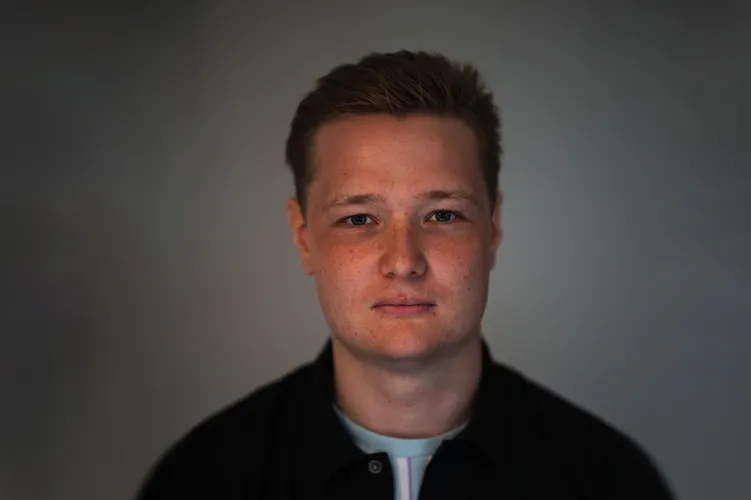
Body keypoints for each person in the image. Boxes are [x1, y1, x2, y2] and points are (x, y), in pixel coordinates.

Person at [136, 50, 675, 500]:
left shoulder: (608, 480)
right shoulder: (203, 479)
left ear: (492, 228)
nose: (403, 260)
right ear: (303, 238)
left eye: (442, 215)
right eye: (358, 219)